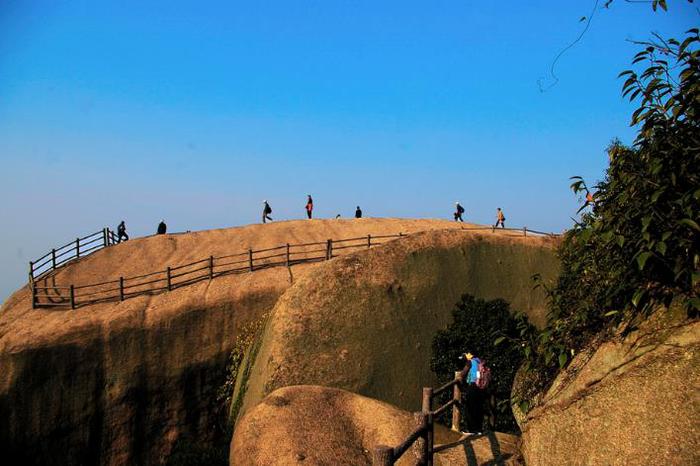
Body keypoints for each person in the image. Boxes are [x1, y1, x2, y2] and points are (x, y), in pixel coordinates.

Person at [458, 352, 486, 434]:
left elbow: (462, 374)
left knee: (470, 409)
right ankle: (479, 429)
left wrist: (459, 377)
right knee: (478, 408)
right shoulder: (480, 362)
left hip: (473, 386)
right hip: (481, 388)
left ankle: (472, 430)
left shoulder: (470, 362)